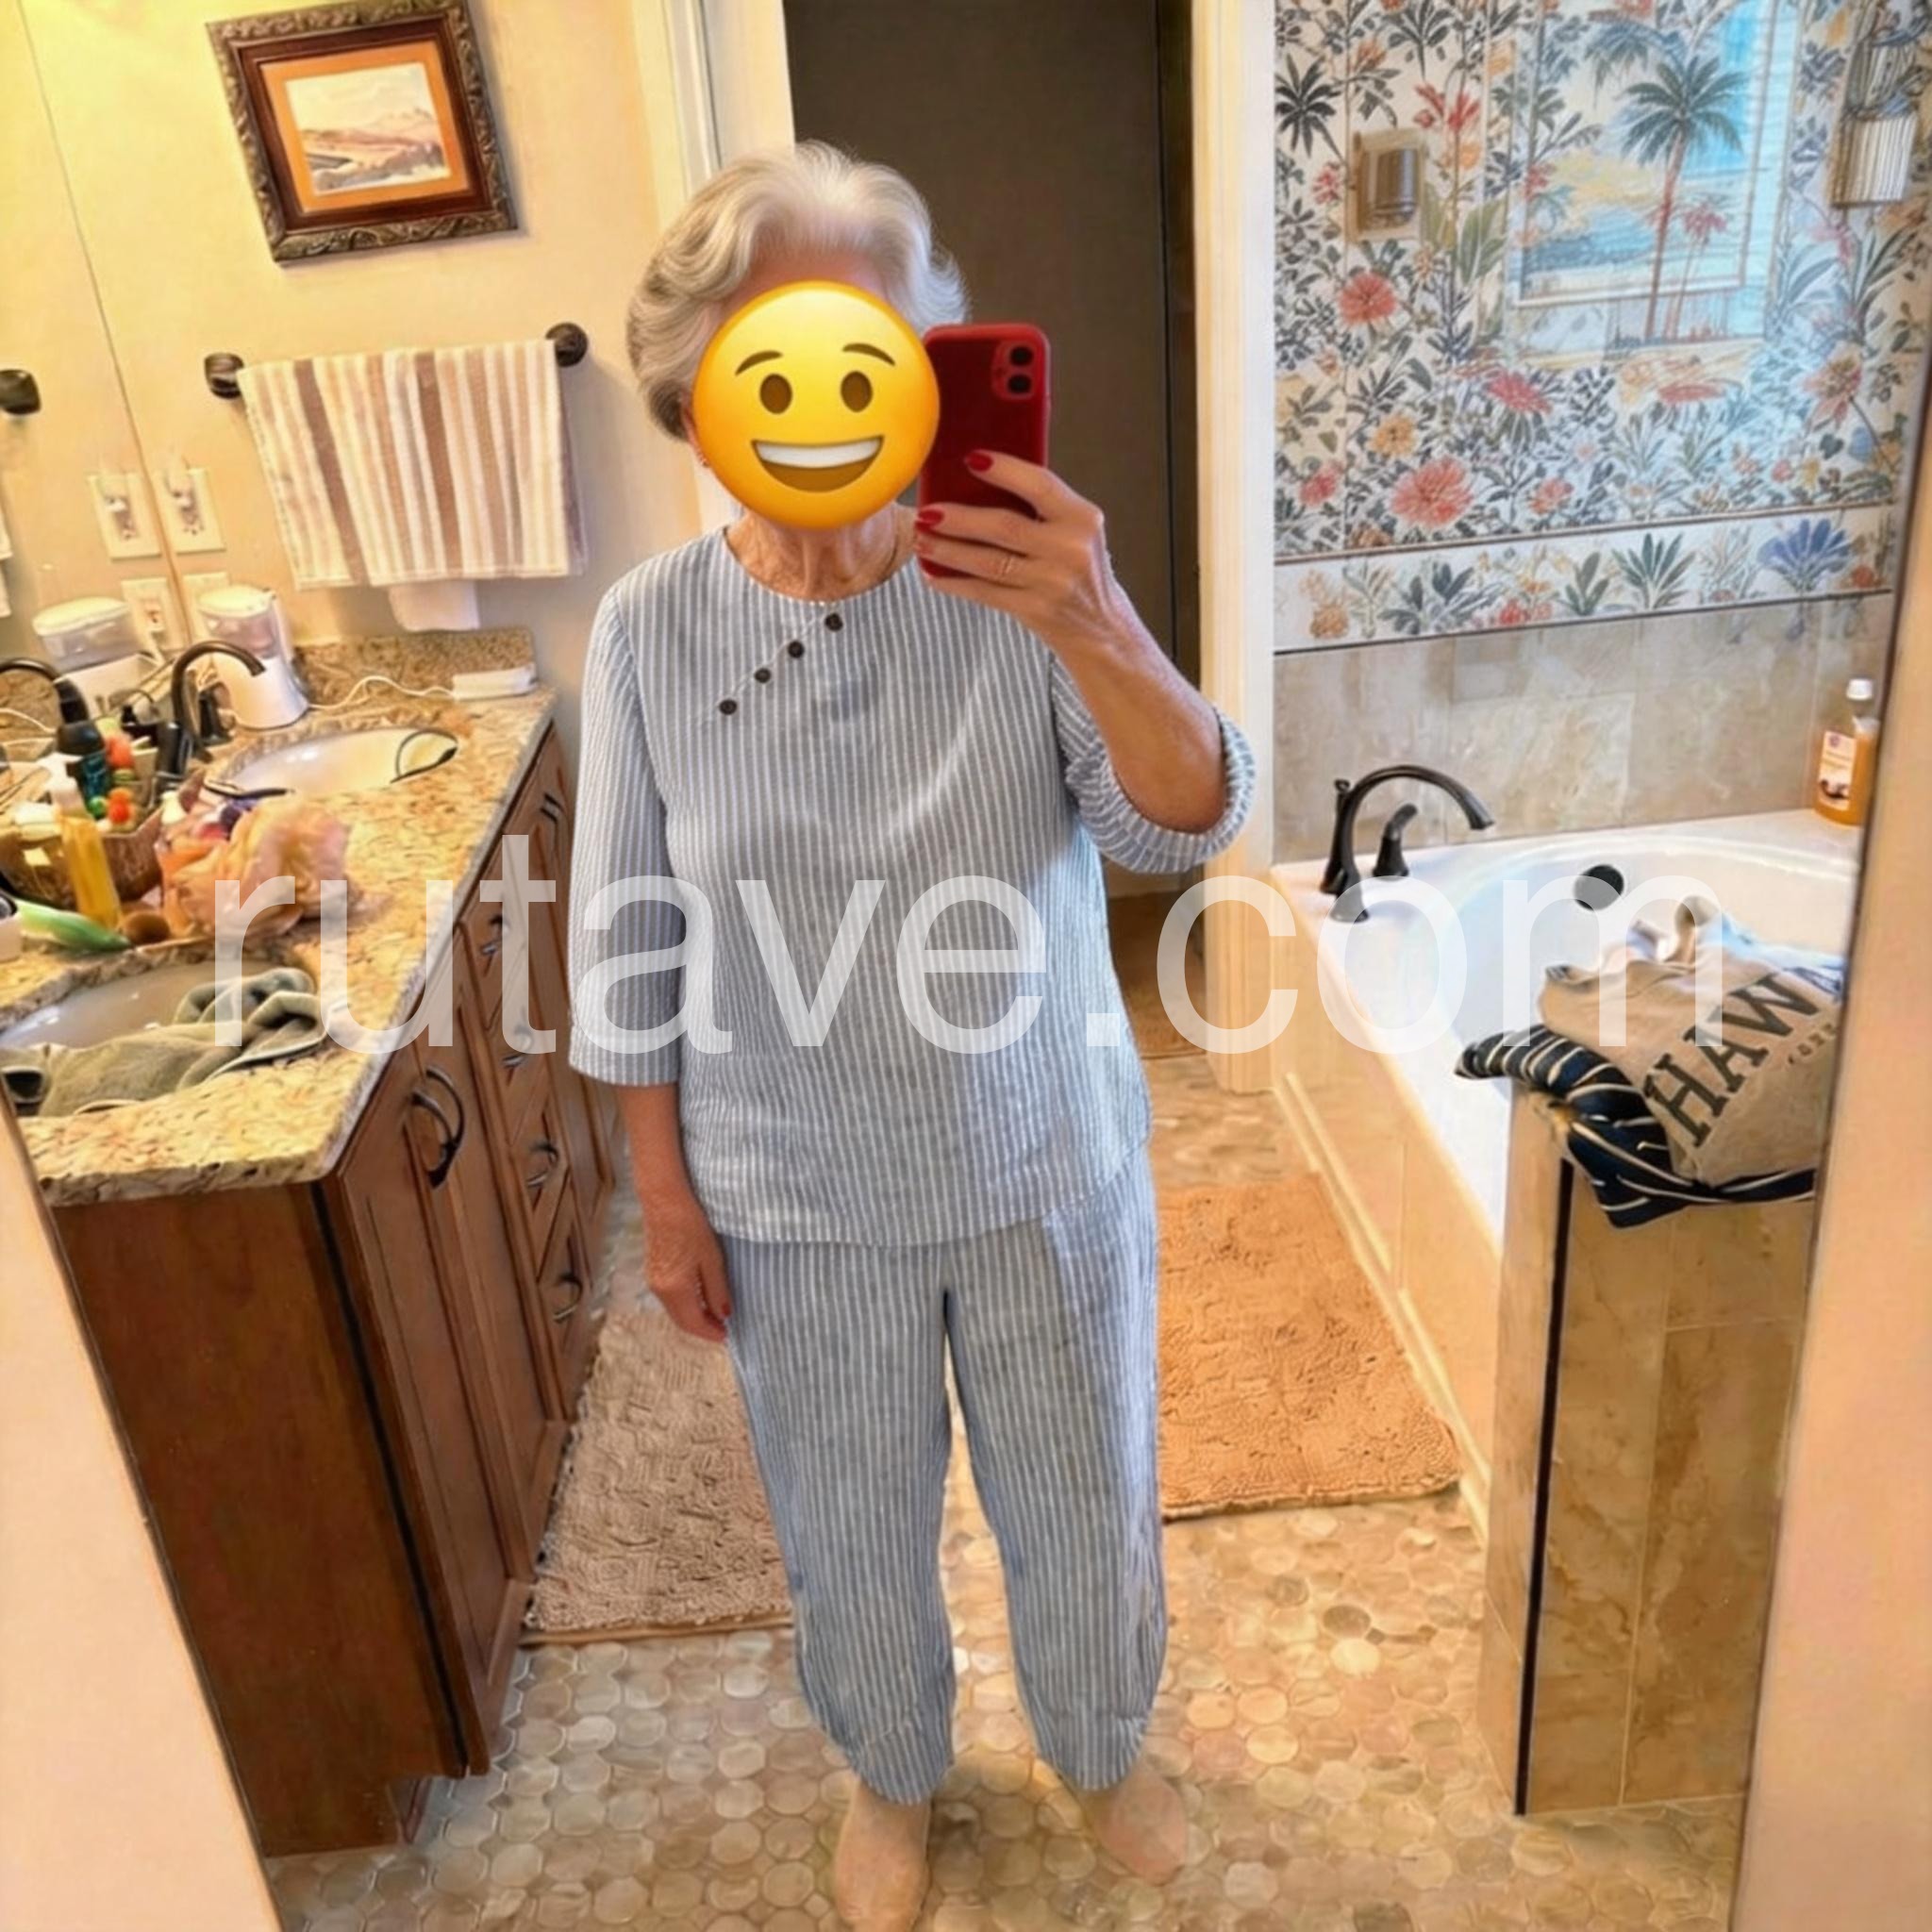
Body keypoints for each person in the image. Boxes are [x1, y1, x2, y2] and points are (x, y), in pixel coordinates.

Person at [568, 142, 1254, 1931]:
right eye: (773, 346)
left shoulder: (1017, 583)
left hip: (1041, 1151)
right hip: (793, 1188)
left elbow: (1178, 822)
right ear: (699, 387)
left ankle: (1100, 1745)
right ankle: (892, 1772)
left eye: (861, 336)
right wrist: (665, 1195)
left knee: (1086, 1487)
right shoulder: (649, 633)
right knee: (848, 1523)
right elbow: (627, 929)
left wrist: (1097, 618)